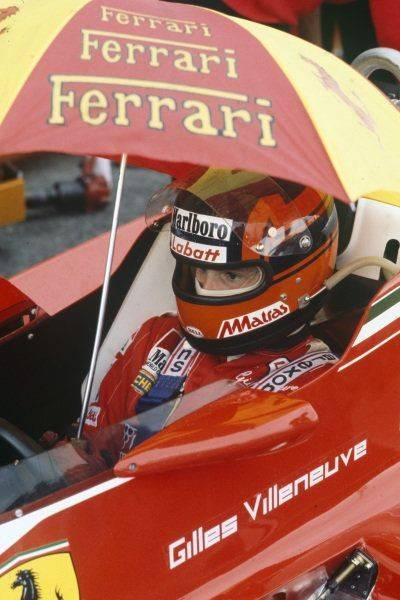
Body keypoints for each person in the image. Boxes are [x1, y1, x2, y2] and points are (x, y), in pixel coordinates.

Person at [83, 168, 339, 458]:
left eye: (230, 276)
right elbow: (91, 455)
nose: (204, 288)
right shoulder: (158, 338)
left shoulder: (312, 390)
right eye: (198, 270)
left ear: (295, 277)